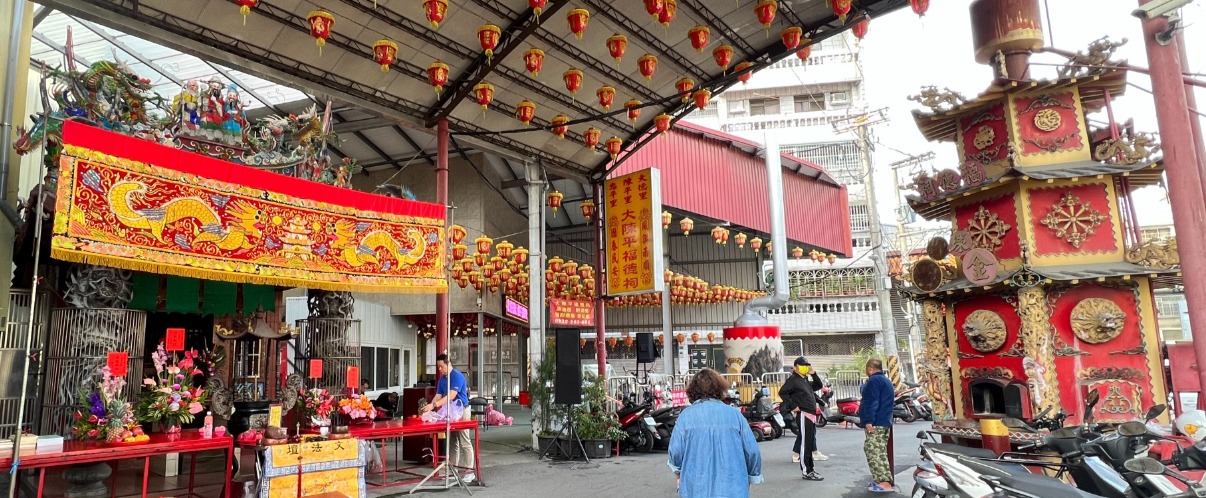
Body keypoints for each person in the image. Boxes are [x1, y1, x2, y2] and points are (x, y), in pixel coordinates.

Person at [668, 368, 762, 498]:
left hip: (696, 488)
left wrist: (678, 473)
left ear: (693, 391)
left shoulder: (686, 417)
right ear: (720, 389)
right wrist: (752, 477)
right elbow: (752, 451)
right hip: (733, 488)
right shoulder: (735, 415)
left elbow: (676, 451)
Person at [420, 354, 475, 483]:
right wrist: (430, 408)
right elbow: (438, 395)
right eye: (438, 367)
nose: (440, 369)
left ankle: (469, 471)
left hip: (462, 411)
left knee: (464, 440)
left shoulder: (457, 376)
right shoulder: (442, 379)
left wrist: (433, 405)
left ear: (448, 363)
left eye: (441, 366)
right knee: (452, 441)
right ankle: (453, 469)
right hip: (451, 412)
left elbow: (451, 395)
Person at [778, 357, 824, 480]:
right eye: (803, 365)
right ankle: (806, 471)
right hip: (803, 414)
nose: (806, 367)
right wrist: (793, 406)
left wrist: (813, 374)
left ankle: (811, 469)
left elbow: (818, 385)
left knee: (809, 442)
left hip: (810, 414)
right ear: (796, 367)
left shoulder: (804, 380)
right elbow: (782, 392)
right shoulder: (793, 380)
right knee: (805, 443)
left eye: (807, 365)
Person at [859, 358, 895, 493]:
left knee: (875, 451)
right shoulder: (886, 381)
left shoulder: (874, 381)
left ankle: (884, 482)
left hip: (876, 422)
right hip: (884, 421)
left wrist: (868, 421)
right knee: (878, 450)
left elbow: (871, 402)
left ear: (870, 368)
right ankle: (880, 480)